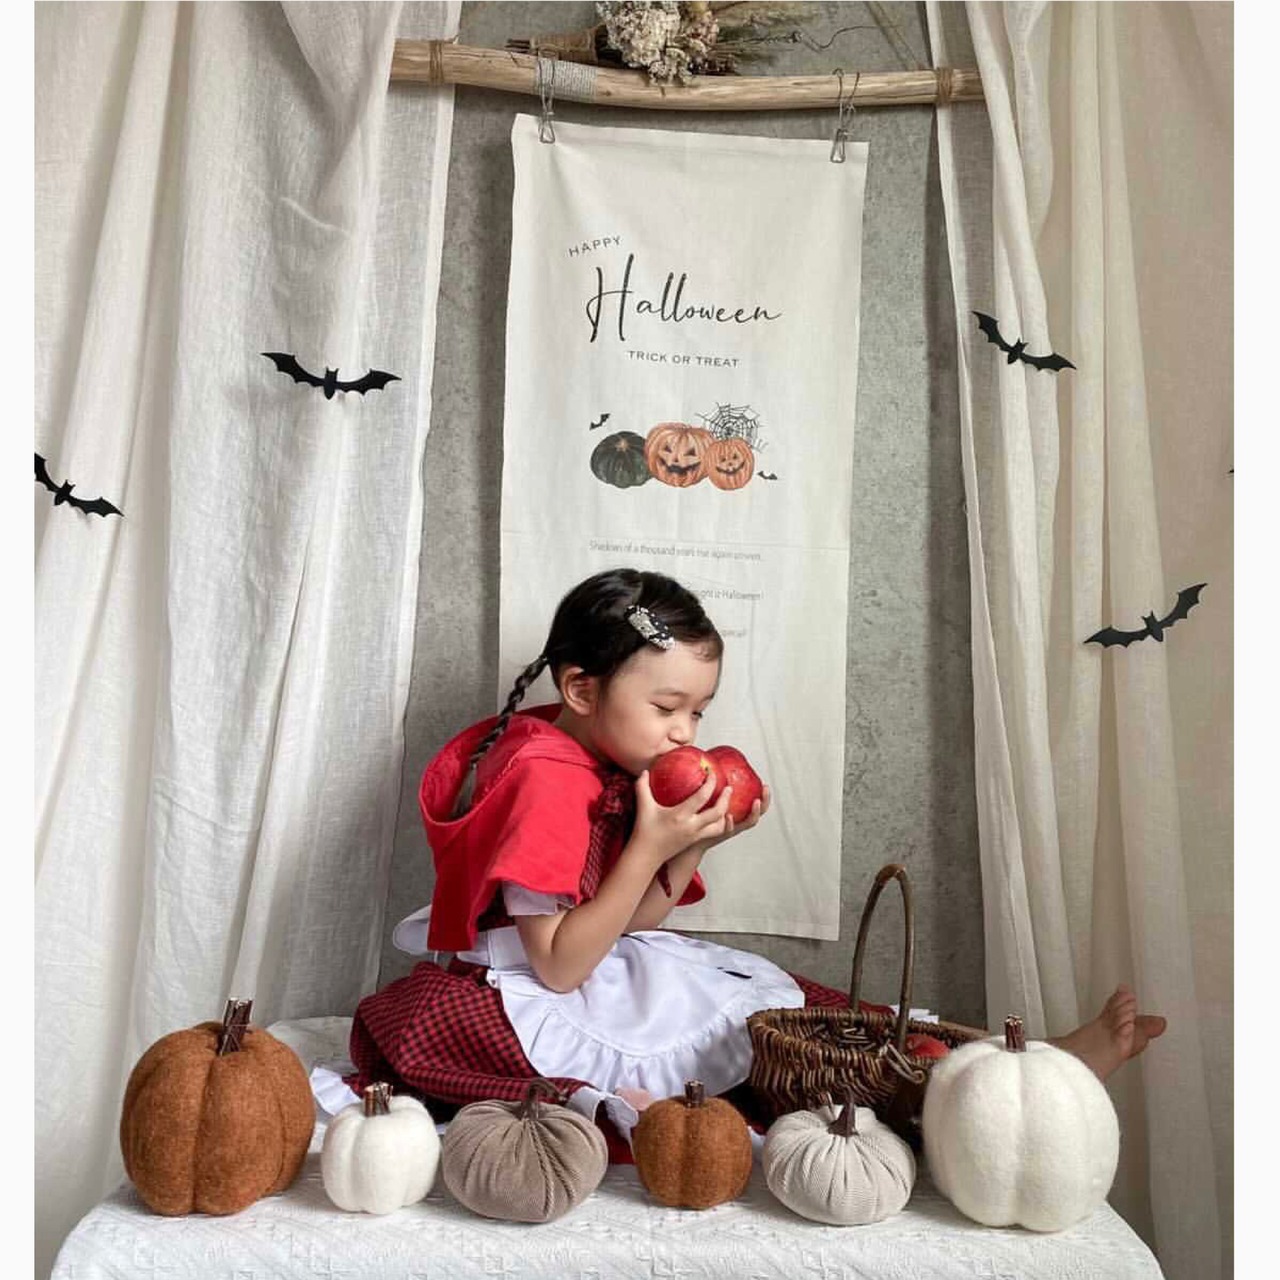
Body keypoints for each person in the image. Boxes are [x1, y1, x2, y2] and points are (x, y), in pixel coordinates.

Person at [337, 567, 1164, 1157]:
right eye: (667, 707)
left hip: (598, 968)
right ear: (582, 690)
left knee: (808, 1016)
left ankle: (1015, 1065)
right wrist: (651, 846)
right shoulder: (543, 778)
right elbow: (557, 965)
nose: (686, 733)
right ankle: (995, 1085)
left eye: (699, 712)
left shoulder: (597, 757)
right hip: (518, 997)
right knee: (778, 1052)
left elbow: (630, 922)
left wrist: (691, 842)